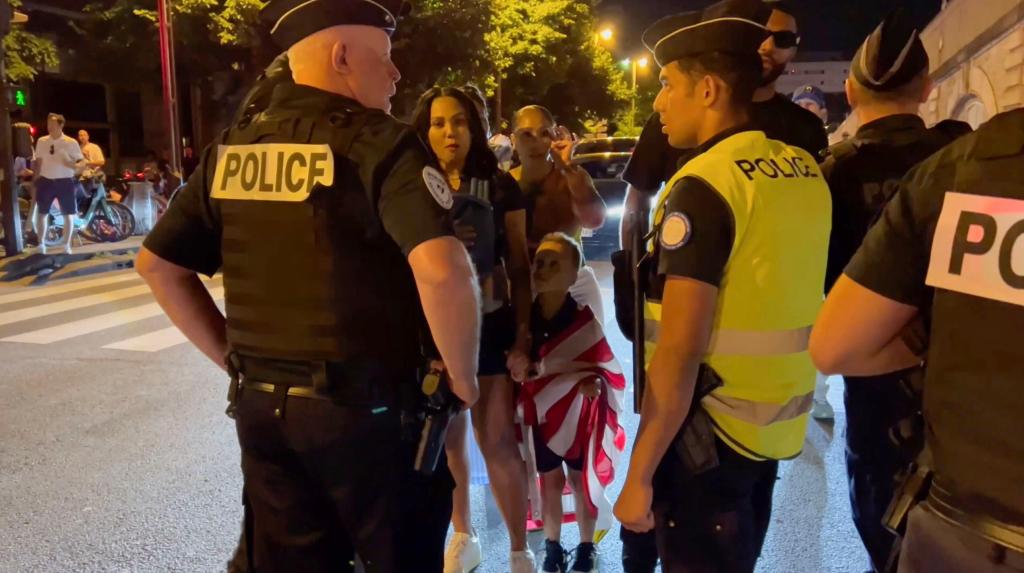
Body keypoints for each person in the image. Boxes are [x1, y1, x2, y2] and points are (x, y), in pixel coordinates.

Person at [134, 1, 481, 571]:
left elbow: (158, 266)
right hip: (369, 415)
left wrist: (235, 359)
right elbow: (443, 270)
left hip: (263, 414)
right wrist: (465, 381)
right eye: (385, 58)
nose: (395, 75)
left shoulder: (234, 148)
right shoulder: (380, 143)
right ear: (341, 56)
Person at [614, 2, 832, 573]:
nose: (658, 102)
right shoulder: (800, 168)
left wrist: (638, 476)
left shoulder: (704, 187)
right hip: (774, 433)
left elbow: (681, 350)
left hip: (707, 442)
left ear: (707, 90)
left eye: (666, 85)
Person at [809, 108, 1024, 573]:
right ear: (925, 87)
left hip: (969, 536)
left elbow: (836, 346)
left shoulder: (965, 169)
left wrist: (939, 334)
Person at [819, 12, 971, 571]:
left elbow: (824, 294)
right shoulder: (965, 156)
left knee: (883, 522)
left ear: (850, 89)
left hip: (875, 381)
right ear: (928, 89)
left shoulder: (833, 172)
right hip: (966, 378)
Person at [410, 86, 535, 573]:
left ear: (473, 127)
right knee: (448, 440)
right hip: (429, 331)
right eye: (438, 122)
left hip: (491, 327)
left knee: (497, 440)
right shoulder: (410, 186)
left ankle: (520, 549)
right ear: (425, 129)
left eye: (458, 121)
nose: (448, 132)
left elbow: (520, 266)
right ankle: (464, 535)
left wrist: (524, 336)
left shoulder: (501, 187)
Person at [516, 233, 626, 573]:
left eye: (555, 264)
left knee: (580, 480)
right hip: (542, 418)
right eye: (540, 263)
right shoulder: (524, 322)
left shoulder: (583, 320)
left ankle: (585, 546)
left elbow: (605, 368)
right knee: (549, 480)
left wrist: (592, 383)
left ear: (574, 273)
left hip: (578, 418)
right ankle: (552, 547)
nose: (544, 269)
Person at [511, 105, 607, 324]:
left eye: (544, 133)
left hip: (575, 281)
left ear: (555, 136)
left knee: (592, 355)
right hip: (525, 284)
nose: (536, 141)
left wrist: (568, 170)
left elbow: (594, 220)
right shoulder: (505, 184)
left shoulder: (572, 177)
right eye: (526, 134)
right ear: (513, 140)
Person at [32, 113, 86, 255]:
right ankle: (41, 244)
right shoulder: (42, 141)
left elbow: (82, 162)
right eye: (48, 124)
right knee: (42, 213)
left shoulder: (70, 142)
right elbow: (38, 162)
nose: (50, 127)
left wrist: (71, 164)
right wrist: (35, 179)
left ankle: (66, 245)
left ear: (61, 125)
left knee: (68, 214)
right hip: (46, 180)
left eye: (53, 124)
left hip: (65, 181)